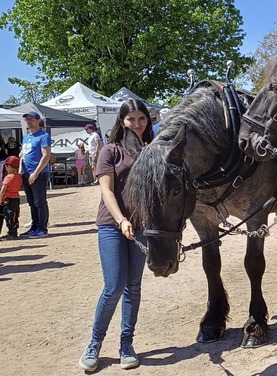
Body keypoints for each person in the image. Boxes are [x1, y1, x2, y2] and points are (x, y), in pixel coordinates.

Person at [78, 99, 153, 372]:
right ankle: (94, 344)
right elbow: (107, 191)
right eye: (131, 118)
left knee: (133, 286)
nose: (137, 123)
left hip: (142, 226)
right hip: (112, 225)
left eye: (141, 118)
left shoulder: (151, 150)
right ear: (122, 121)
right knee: (114, 286)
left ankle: (126, 344)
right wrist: (122, 220)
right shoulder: (110, 151)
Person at [19, 111, 51, 239]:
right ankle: (34, 226)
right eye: (27, 119)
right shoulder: (26, 137)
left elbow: (46, 155)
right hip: (26, 173)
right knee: (31, 202)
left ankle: (42, 228)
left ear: (38, 120)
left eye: (31, 119)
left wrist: (36, 172)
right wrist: (21, 168)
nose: (29, 121)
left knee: (40, 201)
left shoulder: (43, 136)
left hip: (39, 173)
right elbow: (22, 154)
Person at [0, 156, 22, 240]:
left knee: (9, 216)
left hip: (8, 199)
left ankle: (11, 233)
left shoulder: (8, 177)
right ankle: (14, 232)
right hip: (16, 198)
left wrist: (0, 199)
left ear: (9, 167)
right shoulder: (19, 177)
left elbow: (3, 190)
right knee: (15, 216)